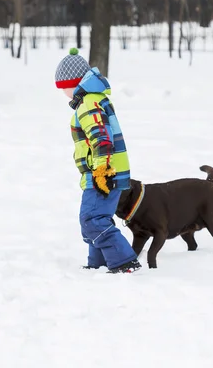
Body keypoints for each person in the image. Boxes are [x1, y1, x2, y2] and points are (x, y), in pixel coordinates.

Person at [55, 48, 141, 274]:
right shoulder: (94, 99)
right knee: (96, 218)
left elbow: (102, 139)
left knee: (92, 218)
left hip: (103, 173)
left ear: (71, 83)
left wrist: (102, 170)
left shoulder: (88, 104)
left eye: (62, 87)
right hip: (103, 172)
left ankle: (124, 261)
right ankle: (99, 262)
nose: (62, 92)